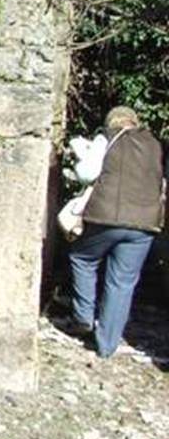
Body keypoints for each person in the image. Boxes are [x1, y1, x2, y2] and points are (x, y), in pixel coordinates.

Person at [66, 106, 166, 358]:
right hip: (145, 224)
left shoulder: (107, 138)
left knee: (82, 258)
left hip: (106, 217)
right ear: (135, 122)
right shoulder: (154, 145)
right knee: (122, 282)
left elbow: (86, 173)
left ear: (111, 121)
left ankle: (83, 317)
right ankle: (107, 346)